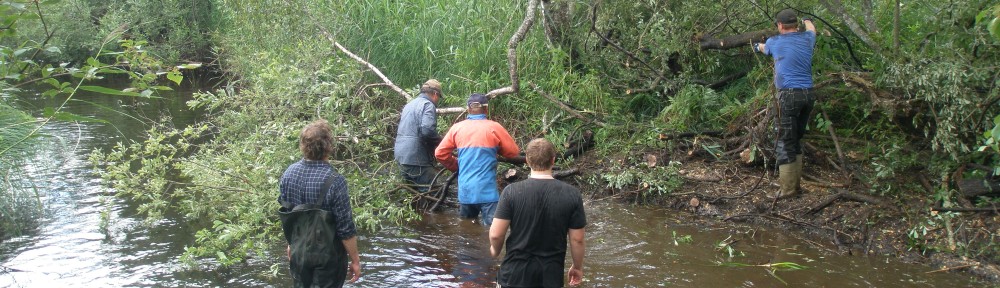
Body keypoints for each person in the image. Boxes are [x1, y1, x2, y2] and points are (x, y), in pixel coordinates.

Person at [489, 138, 586, 287]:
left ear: (527, 161)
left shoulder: (511, 192)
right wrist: (577, 267)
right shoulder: (572, 194)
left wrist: (495, 251)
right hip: (550, 277)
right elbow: (577, 240)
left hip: (514, 276)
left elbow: (496, 234)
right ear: (553, 160)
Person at [279, 120, 361, 287]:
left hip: (299, 252)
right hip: (329, 258)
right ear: (328, 146)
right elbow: (345, 228)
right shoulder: (336, 181)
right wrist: (355, 260)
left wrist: (291, 244)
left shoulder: (288, 174)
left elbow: (287, 215)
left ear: (303, 145)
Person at [753, 9, 817, 199]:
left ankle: (788, 190)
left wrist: (757, 46)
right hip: (808, 95)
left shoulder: (775, 42)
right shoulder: (808, 38)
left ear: (780, 25)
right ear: (796, 24)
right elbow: (812, 28)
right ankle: (795, 186)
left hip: (788, 97)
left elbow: (764, 48)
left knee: (784, 140)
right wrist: (807, 17)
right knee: (795, 138)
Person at [435, 93, 520, 226]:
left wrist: (456, 165)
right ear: (486, 109)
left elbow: (440, 153)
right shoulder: (494, 127)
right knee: (493, 231)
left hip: (466, 192)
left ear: (468, 109)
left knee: (466, 230)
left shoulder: (457, 128)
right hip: (488, 192)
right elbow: (513, 152)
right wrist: (497, 149)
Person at [395, 79, 444, 191]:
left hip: (401, 156)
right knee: (431, 192)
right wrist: (442, 142)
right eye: (439, 97)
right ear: (436, 94)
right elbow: (427, 131)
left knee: (411, 196)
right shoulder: (428, 105)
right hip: (416, 159)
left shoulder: (409, 104)